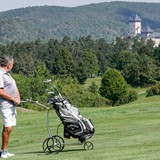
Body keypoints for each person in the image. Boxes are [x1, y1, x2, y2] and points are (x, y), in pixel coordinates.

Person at [0, 55, 20, 158]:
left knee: (9, 128)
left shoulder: (7, 74)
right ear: (8, 65)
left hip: (12, 104)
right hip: (6, 105)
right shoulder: (0, 74)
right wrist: (13, 99)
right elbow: (0, 91)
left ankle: (4, 150)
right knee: (7, 128)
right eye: (12, 64)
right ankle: (3, 152)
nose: (13, 66)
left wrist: (18, 98)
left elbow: (14, 87)